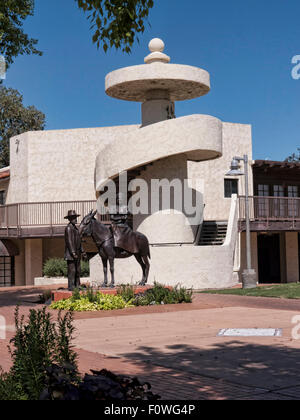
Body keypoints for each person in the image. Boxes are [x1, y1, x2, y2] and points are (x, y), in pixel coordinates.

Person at [64, 210, 86, 291]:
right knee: (72, 270)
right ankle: (71, 286)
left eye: (76, 218)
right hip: (71, 254)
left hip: (77, 252)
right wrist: (73, 252)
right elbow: (69, 241)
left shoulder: (75, 229)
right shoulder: (68, 228)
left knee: (78, 270)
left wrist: (82, 251)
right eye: (74, 218)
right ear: (70, 219)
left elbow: (79, 241)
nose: (76, 219)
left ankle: (77, 285)